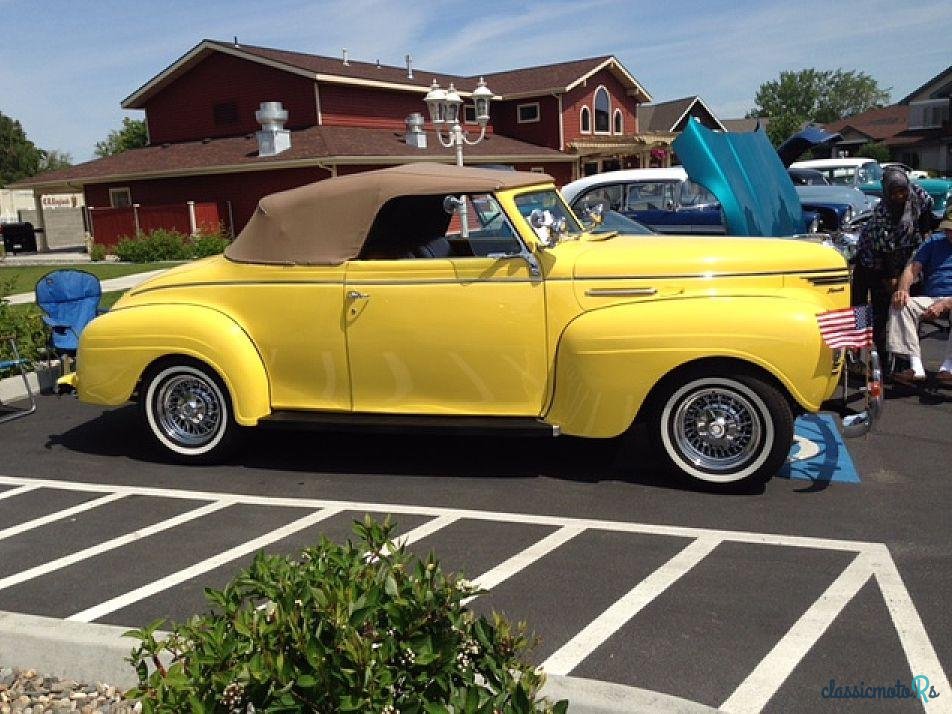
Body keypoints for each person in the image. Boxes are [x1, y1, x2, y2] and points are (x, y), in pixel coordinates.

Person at [851, 168, 936, 367]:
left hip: (907, 253)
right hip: (873, 263)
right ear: (887, 193)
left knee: (908, 305)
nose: (900, 196)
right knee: (876, 311)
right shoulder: (882, 216)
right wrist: (892, 279)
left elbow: (927, 211)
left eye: (902, 191)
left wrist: (924, 235)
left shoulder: (917, 195)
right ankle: (876, 360)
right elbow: (884, 251)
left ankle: (906, 359)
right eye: (894, 192)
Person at [887, 205, 952, 386]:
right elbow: (912, 268)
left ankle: (949, 367)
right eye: (948, 230)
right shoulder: (934, 242)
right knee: (901, 304)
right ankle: (914, 365)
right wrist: (903, 289)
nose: (950, 234)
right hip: (932, 297)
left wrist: (946, 304)